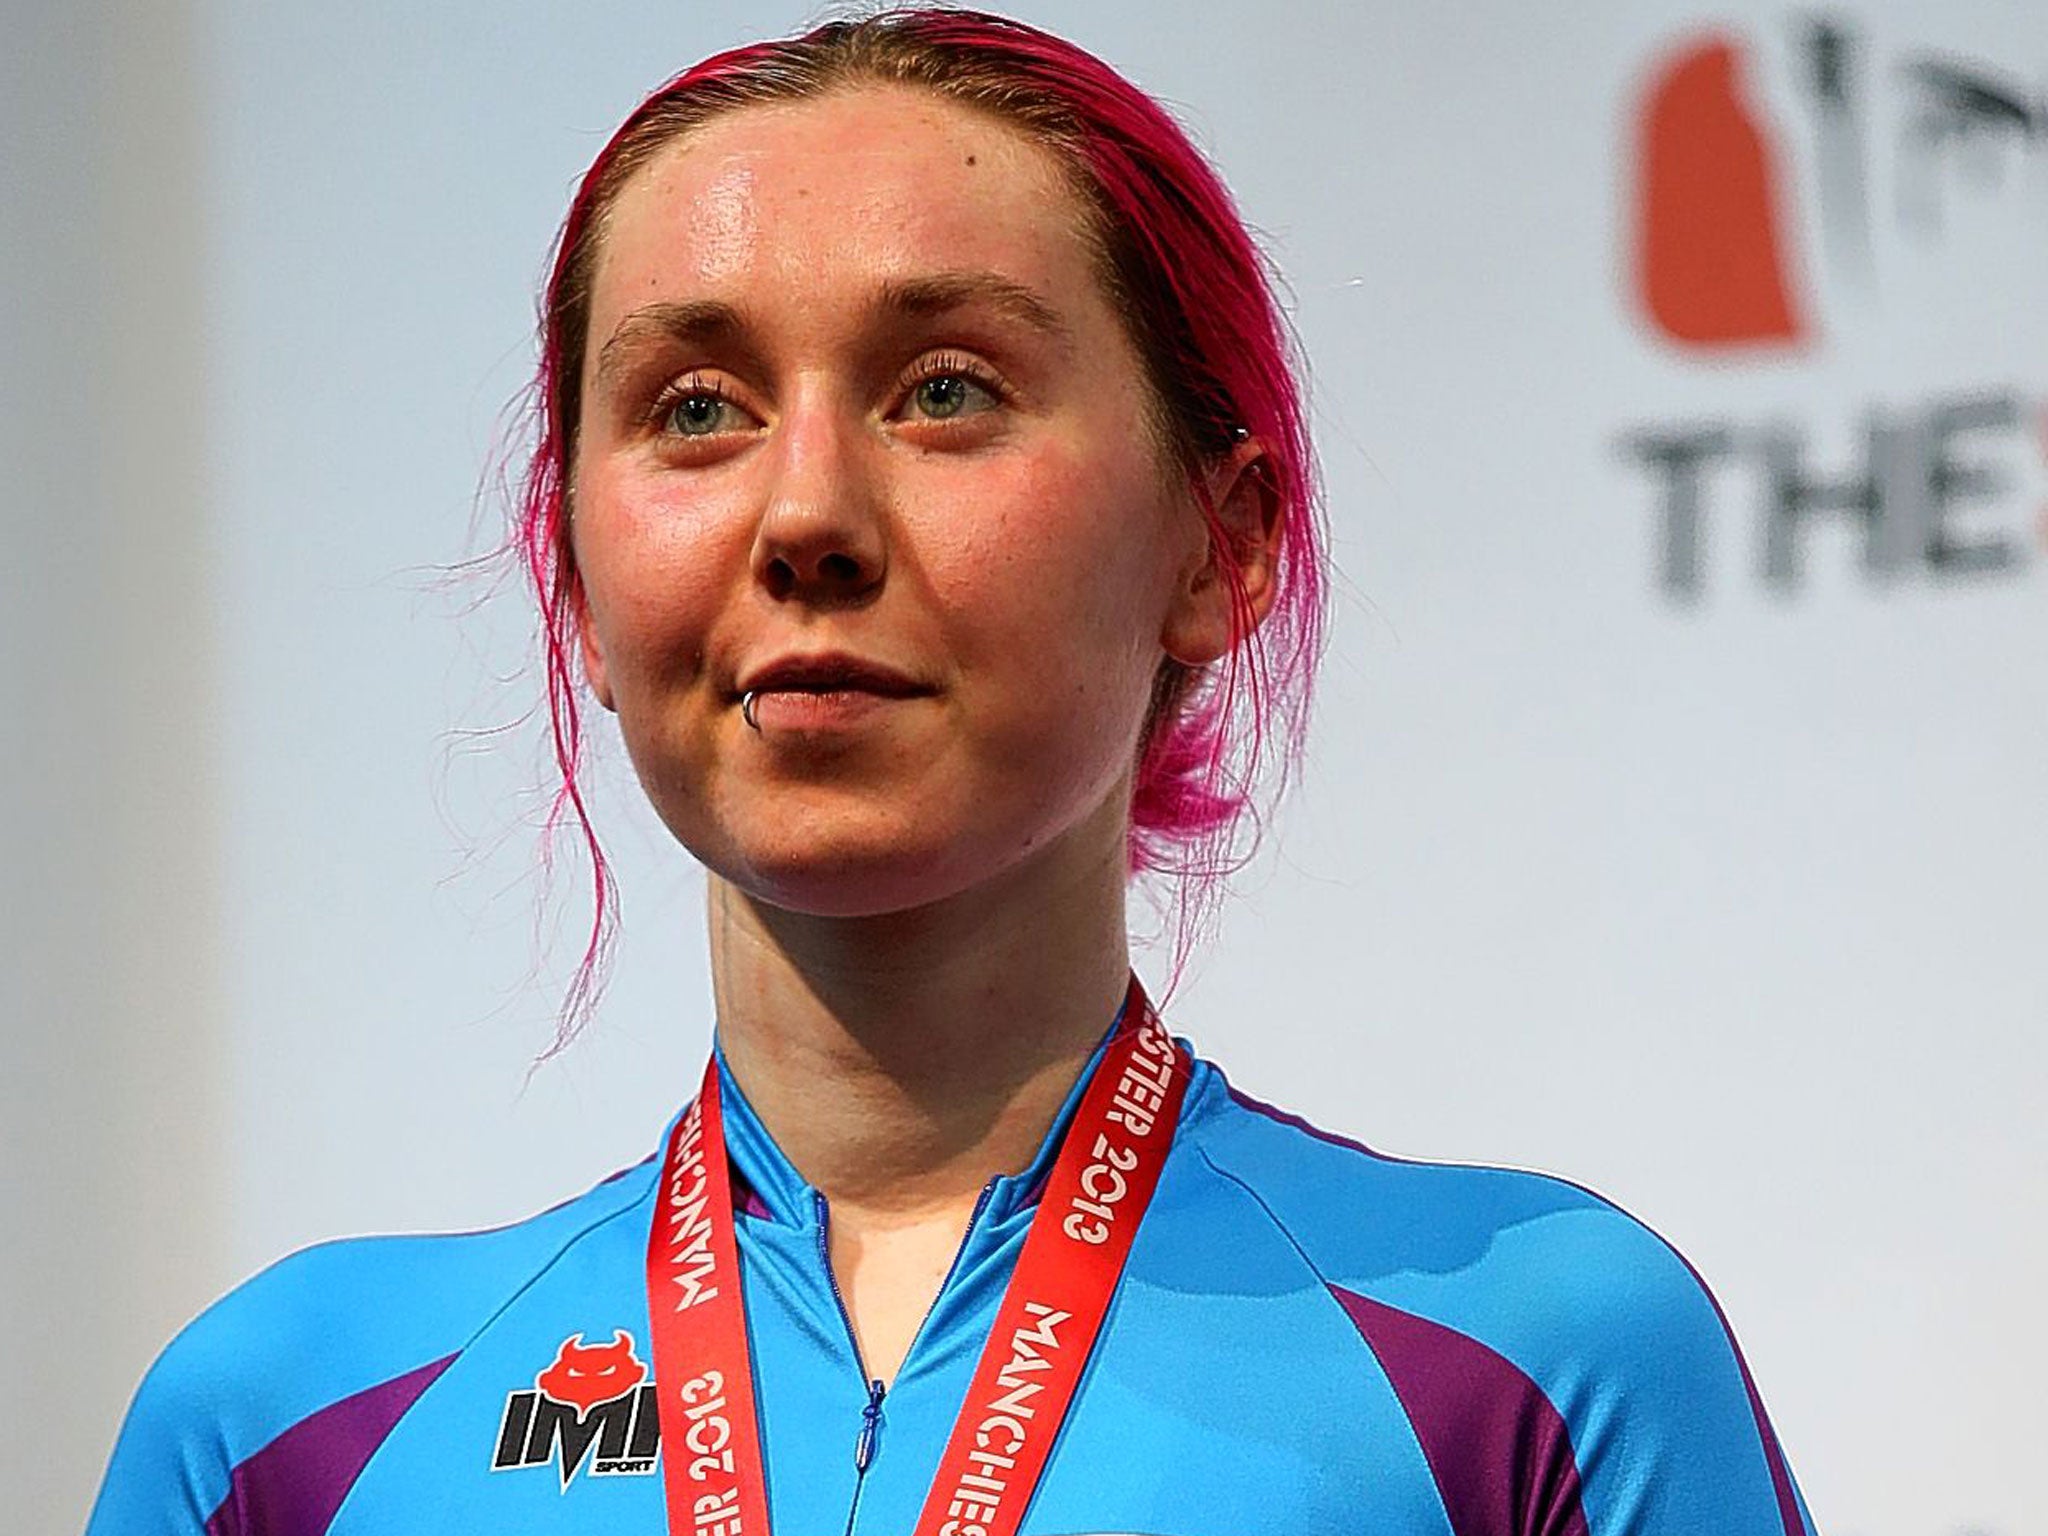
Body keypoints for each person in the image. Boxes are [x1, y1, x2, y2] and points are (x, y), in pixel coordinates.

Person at [87, 11, 1818, 1534]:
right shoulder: (284, 1437)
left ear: (1222, 544)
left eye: (945, 389)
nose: (809, 517)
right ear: (578, 588)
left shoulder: (1533, 1373)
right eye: (696, 407)